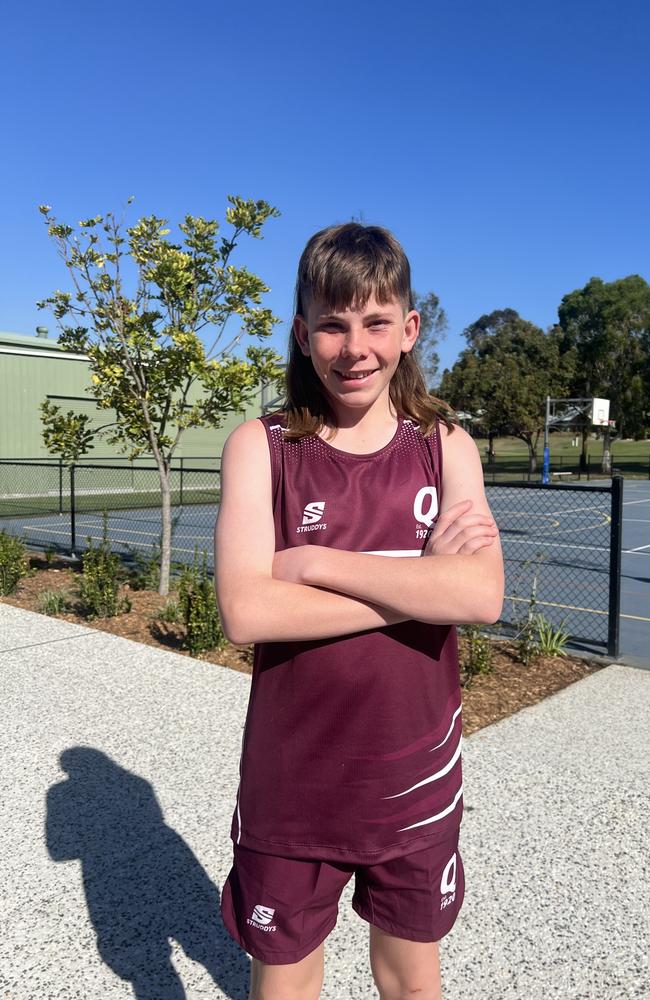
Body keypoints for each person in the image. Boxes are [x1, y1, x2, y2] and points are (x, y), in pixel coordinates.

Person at [214, 222, 504, 1000]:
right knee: (284, 983)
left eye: (376, 322)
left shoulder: (446, 446)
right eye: (334, 325)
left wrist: (311, 567)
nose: (355, 347)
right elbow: (246, 610)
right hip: (293, 780)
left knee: (411, 981)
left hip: (416, 775)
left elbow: (479, 594)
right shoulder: (261, 447)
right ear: (304, 333)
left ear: (408, 330)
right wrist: (420, 580)